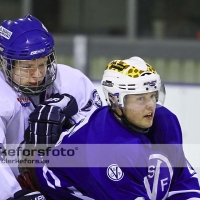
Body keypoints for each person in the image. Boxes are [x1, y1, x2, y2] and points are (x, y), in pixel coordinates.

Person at [32, 56, 200, 200]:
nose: (151, 106)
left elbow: (182, 179)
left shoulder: (165, 121)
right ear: (115, 101)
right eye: (140, 99)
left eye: (153, 96)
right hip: (57, 189)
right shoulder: (108, 149)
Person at [0, 14, 102, 200]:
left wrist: (73, 122)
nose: (37, 74)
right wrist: (15, 194)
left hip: (65, 181)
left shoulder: (72, 81)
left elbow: (101, 135)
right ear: (6, 63)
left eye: (42, 64)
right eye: (27, 67)